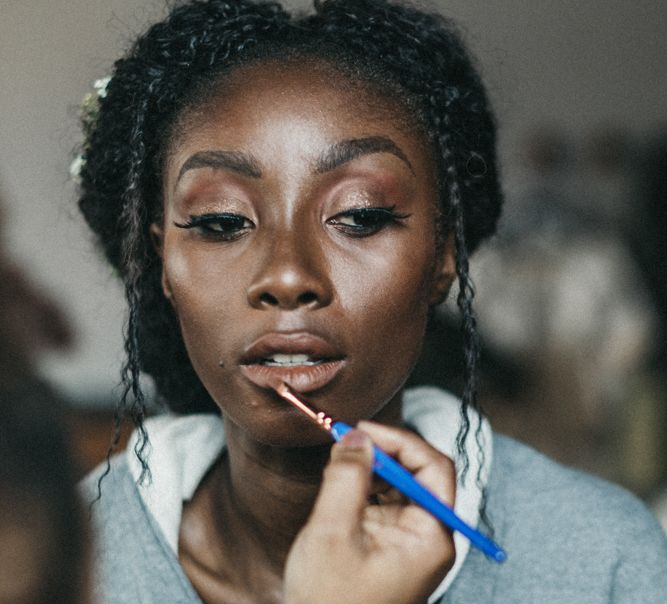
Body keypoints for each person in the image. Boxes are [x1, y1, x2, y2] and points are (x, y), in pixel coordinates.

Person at [76, 1, 667, 602]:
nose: (287, 275)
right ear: (161, 266)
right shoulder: (68, 558)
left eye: (359, 216)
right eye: (222, 221)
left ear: (443, 258)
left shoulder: (603, 561)